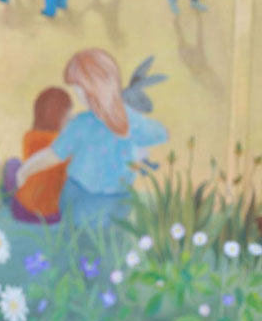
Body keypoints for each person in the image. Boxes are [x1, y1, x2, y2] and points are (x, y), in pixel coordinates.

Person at [16, 49, 168, 226]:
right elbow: (161, 133)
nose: (78, 97)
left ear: (92, 88)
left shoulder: (81, 123)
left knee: (77, 238)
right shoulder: (131, 120)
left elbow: (54, 155)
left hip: (80, 198)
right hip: (119, 202)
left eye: (78, 91)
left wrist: (26, 169)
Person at [5, 87, 71, 224]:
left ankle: (7, 197)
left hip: (21, 210)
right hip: (52, 217)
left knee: (12, 164)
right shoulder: (65, 147)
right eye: (68, 115)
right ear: (60, 118)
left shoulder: (29, 137)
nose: (71, 119)